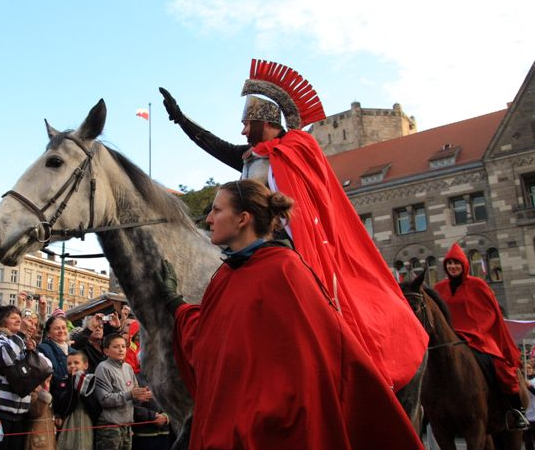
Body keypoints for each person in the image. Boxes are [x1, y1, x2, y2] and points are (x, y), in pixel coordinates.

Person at [160, 60, 427, 393]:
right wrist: (181, 119)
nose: (242, 132)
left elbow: (311, 206)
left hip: (290, 245)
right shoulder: (253, 155)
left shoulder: (298, 150)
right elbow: (217, 146)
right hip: (251, 245)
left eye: (246, 124)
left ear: (265, 121)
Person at [158, 179, 424, 449]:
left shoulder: (285, 270)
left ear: (243, 219)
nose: (209, 218)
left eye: (216, 210)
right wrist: (175, 303)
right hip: (226, 430)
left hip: (269, 432)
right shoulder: (225, 276)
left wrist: (260, 418)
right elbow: (209, 343)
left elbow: (311, 363)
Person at [434, 242, 529, 429]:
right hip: (450, 340)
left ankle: (516, 410)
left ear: (464, 265)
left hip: (478, 338)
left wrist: (472, 332)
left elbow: (489, 313)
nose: (453, 267)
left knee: (502, 368)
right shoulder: (439, 288)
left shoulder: (477, 285)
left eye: (457, 263)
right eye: (450, 264)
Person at [0, 305, 36, 450]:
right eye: (14, 318)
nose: (19, 321)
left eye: (20, 318)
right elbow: (4, 357)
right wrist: (22, 334)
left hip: (20, 412)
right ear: (2, 321)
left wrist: (31, 351)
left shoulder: (19, 341)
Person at [94, 334, 150, 450]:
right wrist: (130, 395)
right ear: (106, 351)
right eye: (116, 347)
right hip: (110, 426)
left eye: (123, 346)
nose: (121, 350)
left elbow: (134, 393)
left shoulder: (128, 367)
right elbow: (104, 399)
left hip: (127, 425)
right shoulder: (103, 367)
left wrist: (141, 395)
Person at [56, 350, 97, 450]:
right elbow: (65, 407)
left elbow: (94, 408)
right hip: (69, 423)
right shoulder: (63, 383)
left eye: (76, 363)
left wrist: (81, 386)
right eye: (69, 364)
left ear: (85, 365)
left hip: (86, 421)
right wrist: (72, 383)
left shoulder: (91, 382)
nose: (72, 366)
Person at [37, 315, 73, 425]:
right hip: (54, 404)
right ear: (48, 333)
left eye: (63, 327)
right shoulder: (43, 349)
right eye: (57, 328)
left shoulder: (74, 351)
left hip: (71, 405)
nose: (61, 331)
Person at [25, 377, 57, 450]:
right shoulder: (33, 395)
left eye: (48, 381)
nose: (46, 385)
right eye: (42, 382)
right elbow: (37, 412)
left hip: (48, 442)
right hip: (37, 443)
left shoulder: (49, 395)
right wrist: (43, 395)